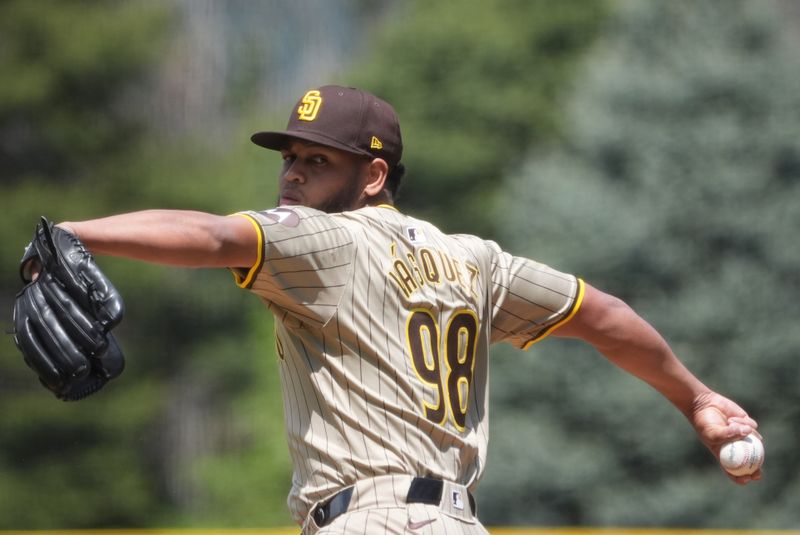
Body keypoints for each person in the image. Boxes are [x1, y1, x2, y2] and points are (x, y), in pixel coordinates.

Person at [50, 85, 761, 534]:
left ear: (374, 175)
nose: (293, 173)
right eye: (290, 157)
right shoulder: (476, 260)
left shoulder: (324, 239)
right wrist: (694, 395)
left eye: (317, 161)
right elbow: (600, 314)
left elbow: (210, 234)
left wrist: (74, 234)